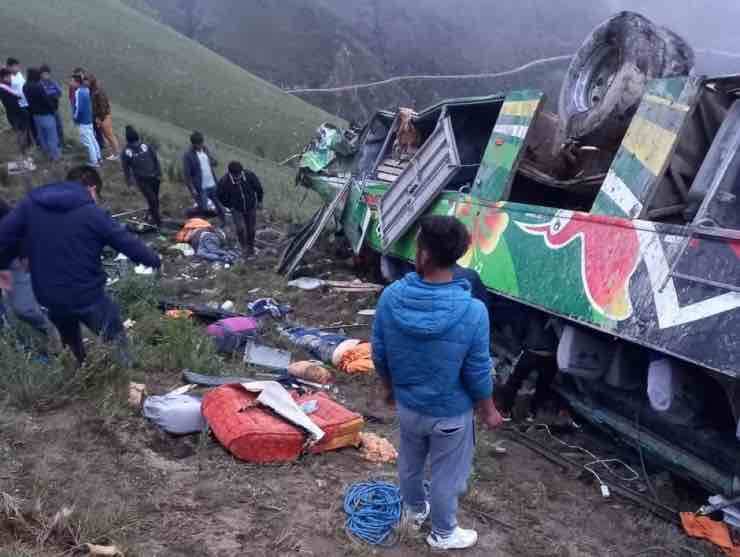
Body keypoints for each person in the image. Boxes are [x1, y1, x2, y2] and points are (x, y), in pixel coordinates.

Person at [372, 215, 503, 551]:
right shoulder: (473, 311)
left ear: (425, 254)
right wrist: (488, 410)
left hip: (408, 406)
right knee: (447, 476)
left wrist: (389, 389)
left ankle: (415, 511)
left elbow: (380, 354)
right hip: (449, 415)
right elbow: (477, 370)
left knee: (410, 463)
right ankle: (443, 534)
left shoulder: (390, 298)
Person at [0, 165, 161, 364]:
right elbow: (125, 241)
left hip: (49, 295)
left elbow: (3, 236)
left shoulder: (29, 205)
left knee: (70, 339)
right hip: (87, 294)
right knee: (114, 334)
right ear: (92, 189)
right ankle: (126, 373)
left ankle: (80, 369)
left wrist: (4, 264)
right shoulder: (91, 213)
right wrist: (153, 259)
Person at [0, 199, 60, 349]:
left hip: (11, 260)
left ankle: (59, 336)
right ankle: (15, 353)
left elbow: (19, 222)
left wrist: (24, 254)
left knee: (24, 309)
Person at [217, 161, 263, 257]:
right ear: (230, 174)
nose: (238, 177)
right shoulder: (224, 182)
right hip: (236, 209)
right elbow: (220, 196)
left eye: (239, 175)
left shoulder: (249, 175)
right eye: (236, 176)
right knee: (240, 228)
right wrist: (230, 206)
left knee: (251, 229)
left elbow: (258, 188)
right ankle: (243, 246)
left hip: (251, 207)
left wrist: (259, 201)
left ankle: (251, 246)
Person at [121, 126, 162, 227]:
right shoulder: (126, 152)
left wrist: (159, 173)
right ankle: (158, 222)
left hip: (154, 177)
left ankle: (153, 214)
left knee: (155, 199)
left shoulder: (145, 146)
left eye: (137, 142)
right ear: (129, 142)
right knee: (152, 199)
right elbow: (125, 167)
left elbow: (155, 158)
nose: (136, 145)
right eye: (134, 143)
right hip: (142, 180)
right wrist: (129, 181)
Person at [183, 131, 226, 226]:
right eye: (199, 144)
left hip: (212, 184)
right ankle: (200, 223)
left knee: (219, 205)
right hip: (201, 187)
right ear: (194, 144)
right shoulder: (188, 156)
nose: (201, 145)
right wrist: (192, 189)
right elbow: (187, 175)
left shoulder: (205, 149)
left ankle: (224, 223)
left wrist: (214, 162)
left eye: (202, 143)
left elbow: (210, 161)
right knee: (204, 209)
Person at [23, 68, 60, 161]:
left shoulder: (25, 86)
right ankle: (55, 157)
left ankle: (46, 154)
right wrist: (53, 109)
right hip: (46, 115)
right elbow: (46, 100)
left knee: (42, 136)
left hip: (35, 116)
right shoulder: (38, 87)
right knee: (52, 137)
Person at [71, 74, 102, 167]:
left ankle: (94, 162)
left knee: (88, 142)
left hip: (83, 121)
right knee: (92, 139)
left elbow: (78, 108)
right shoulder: (87, 90)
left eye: (72, 81)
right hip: (89, 120)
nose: (70, 83)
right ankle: (99, 157)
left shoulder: (79, 92)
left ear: (77, 82)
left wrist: (75, 118)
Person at [0, 68, 32, 156]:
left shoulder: (5, 87)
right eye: (9, 77)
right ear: (4, 77)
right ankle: (24, 152)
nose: (10, 78)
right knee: (22, 133)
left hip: (13, 114)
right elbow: (12, 102)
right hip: (16, 114)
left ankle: (23, 152)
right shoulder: (4, 88)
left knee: (20, 133)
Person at [88, 74, 119, 160]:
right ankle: (115, 153)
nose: (85, 83)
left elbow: (103, 107)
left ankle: (116, 154)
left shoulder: (98, 92)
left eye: (87, 81)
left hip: (104, 117)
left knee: (109, 135)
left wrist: (99, 119)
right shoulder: (93, 90)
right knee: (107, 135)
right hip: (102, 116)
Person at [39, 64, 64, 148]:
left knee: (59, 126)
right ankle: (51, 145)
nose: (46, 76)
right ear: (41, 74)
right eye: (44, 74)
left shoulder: (53, 82)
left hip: (55, 108)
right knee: (50, 128)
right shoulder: (39, 84)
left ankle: (61, 143)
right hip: (46, 111)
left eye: (48, 74)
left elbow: (60, 92)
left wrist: (51, 94)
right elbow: (42, 95)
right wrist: (52, 93)